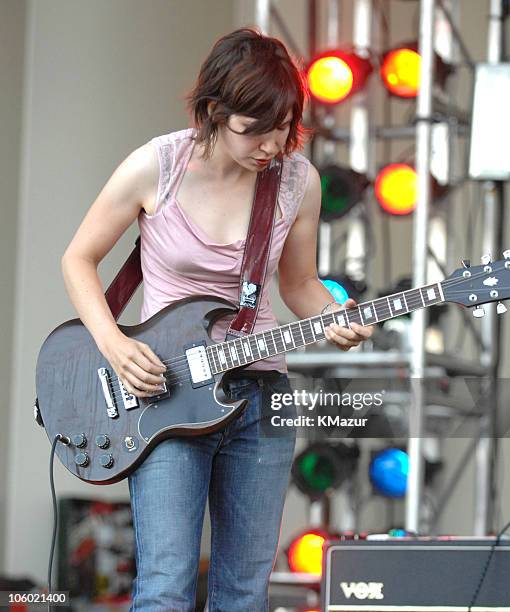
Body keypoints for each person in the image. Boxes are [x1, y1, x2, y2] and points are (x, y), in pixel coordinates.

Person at [61, 27, 373, 612]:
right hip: (167, 394)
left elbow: (299, 285)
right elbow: (78, 257)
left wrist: (335, 317)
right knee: (166, 587)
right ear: (213, 111)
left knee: (244, 592)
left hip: (260, 396)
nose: (271, 145)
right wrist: (112, 343)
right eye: (255, 129)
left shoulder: (297, 181)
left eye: (285, 127)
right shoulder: (157, 165)